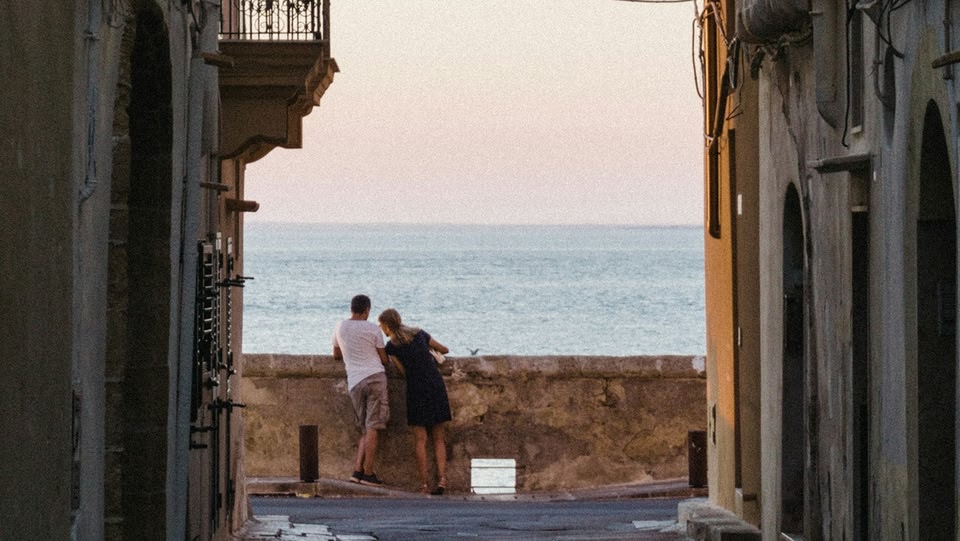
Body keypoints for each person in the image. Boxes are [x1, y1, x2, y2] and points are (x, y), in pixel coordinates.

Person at [377, 308, 452, 495]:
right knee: (439, 438)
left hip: (416, 389)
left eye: (381, 325)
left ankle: (424, 484)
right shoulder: (419, 333)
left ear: (387, 326)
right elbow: (445, 350)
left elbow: (402, 372)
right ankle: (442, 479)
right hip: (435, 384)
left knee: (420, 439)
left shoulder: (391, 347)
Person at [333, 294, 390, 486]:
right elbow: (384, 359)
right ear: (367, 310)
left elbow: (336, 354)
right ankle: (368, 472)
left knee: (364, 427)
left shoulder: (340, 326)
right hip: (375, 378)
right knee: (373, 425)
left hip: (355, 381)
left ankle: (357, 471)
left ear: (351, 309)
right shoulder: (373, 329)